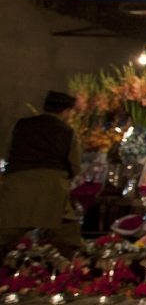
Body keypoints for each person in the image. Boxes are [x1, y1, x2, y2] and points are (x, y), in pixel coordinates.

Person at [0, 90, 83, 256]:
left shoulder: (20, 125)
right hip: (52, 189)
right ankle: (74, 267)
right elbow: (74, 165)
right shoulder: (67, 132)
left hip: (16, 185)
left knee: (6, 233)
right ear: (66, 111)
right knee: (67, 236)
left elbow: (7, 153)